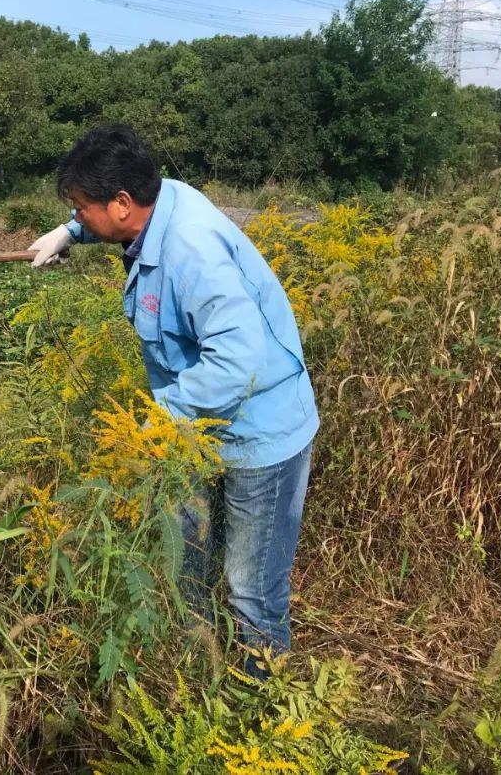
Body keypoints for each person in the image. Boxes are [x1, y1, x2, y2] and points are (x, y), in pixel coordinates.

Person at [29, 124, 319, 674]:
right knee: (188, 569)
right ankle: (200, 686)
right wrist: (69, 232)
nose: (80, 214)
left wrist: (158, 420)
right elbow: (120, 223)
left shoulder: (192, 252)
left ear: (120, 202)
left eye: (81, 206)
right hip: (196, 431)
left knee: (250, 590)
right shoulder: (159, 200)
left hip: (260, 434)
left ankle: (259, 712)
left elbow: (237, 361)